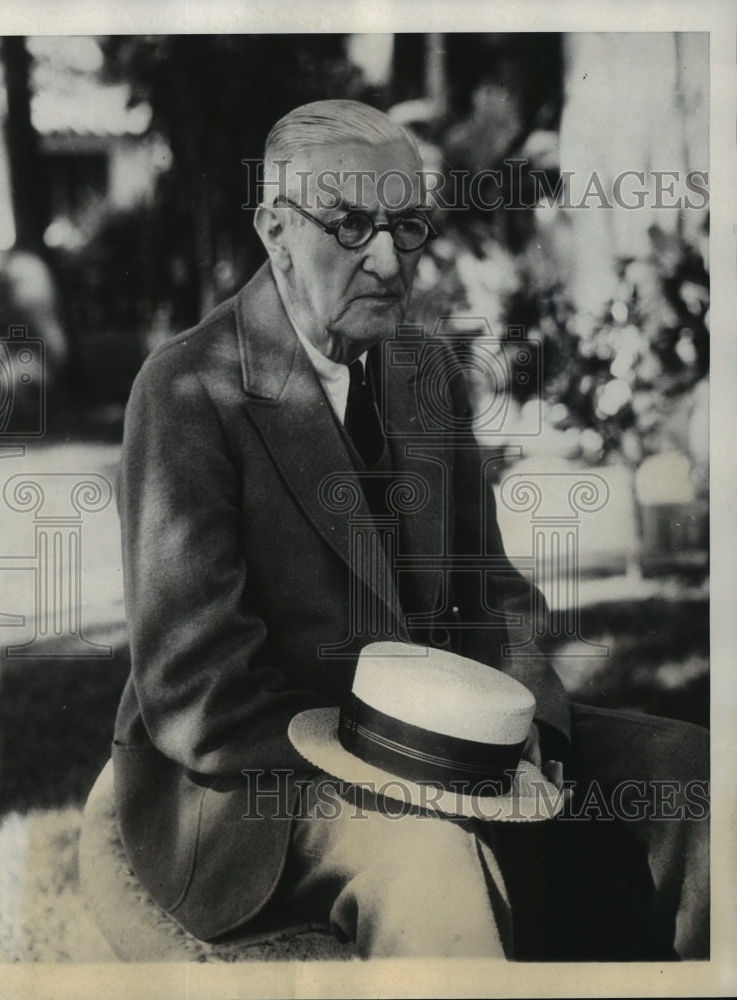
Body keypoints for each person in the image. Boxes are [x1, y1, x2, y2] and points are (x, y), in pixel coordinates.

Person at [105, 99, 708, 960]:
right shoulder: (187, 391)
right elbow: (199, 693)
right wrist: (427, 776)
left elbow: (494, 594)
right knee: (432, 857)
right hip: (255, 786)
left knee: (689, 774)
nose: (387, 260)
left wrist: (527, 733)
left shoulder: (424, 373)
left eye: (407, 224)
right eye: (349, 224)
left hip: (465, 750)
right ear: (275, 227)